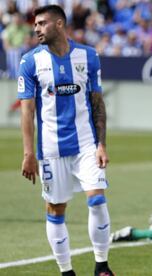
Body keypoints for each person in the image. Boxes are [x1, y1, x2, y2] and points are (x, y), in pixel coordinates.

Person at [18, 5, 114, 276]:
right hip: (50, 149)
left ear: (59, 24)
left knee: (97, 199)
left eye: (42, 23)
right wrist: (28, 153)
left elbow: (97, 103)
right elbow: (26, 111)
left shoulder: (89, 56)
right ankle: (66, 271)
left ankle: (102, 267)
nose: (36, 28)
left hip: (86, 144)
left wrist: (102, 144)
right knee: (56, 208)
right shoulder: (30, 62)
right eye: (35, 24)